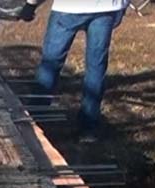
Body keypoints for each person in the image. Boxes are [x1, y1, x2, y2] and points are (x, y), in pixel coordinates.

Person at [32, 0, 129, 139]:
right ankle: (88, 128)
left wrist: (31, 5)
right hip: (106, 8)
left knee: (51, 63)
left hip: (68, 7)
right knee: (96, 67)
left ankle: (36, 118)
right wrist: (122, 5)